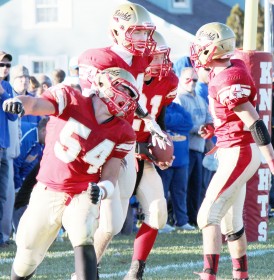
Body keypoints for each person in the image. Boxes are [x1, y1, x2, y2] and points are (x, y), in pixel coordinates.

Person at [2, 66, 139, 280]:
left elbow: (110, 175)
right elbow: (36, 104)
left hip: (83, 192)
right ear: (102, 84)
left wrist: (101, 191)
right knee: (27, 254)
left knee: (84, 234)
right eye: (125, 90)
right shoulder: (70, 98)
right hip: (49, 188)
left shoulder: (124, 132)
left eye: (132, 95)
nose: (127, 99)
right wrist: (20, 103)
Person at [189, 22, 274, 280]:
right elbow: (235, 118)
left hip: (239, 152)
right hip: (235, 149)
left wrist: (273, 166)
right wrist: (214, 128)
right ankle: (241, 275)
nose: (196, 53)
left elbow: (255, 122)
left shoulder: (227, 79)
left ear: (211, 50)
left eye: (201, 48)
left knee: (206, 215)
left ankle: (209, 275)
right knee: (231, 223)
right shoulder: (226, 72)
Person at [74, 4, 170, 279]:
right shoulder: (98, 59)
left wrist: (148, 121)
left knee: (115, 222)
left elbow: (131, 98)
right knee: (88, 215)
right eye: (137, 32)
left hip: (124, 145)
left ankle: (103, 269)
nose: (144, 40)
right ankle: (82, 270)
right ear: (116, 30)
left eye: (146, 33)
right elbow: (95, 106)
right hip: (101, 144)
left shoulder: (141, 60)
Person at [123, 30, 178, 279]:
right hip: (117, 157)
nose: (161, 63)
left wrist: (161, 145)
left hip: (143, 159)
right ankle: (87, 270)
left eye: (161, 57)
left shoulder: (167, 82)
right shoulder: (124, 79)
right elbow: (109, 128)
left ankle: (136, 271)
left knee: (158, 214)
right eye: (155, 57)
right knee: (108, 224)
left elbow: (158, 119)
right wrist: (140, 148)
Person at [174, 66, 214, 226]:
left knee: (197, 187)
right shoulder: (179, 98)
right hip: (184, 148)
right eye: (188, 79)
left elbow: (208, 116)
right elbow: (181, 124)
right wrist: (199, 128)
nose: (191, 82)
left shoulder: (199, 98)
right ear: (181, 80)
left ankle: (194, 218)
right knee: (182, 187)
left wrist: (208, 127)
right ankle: (180, 219)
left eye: (194, 80)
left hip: (199, 148)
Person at [156, 101, 194, 230]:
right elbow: (161, 123)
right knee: (162, 192)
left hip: (182, 160)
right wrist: (177, 122)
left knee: (180, 192)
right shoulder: (159, 107)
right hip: (164, 159)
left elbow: (189, 123)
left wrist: (170, 125)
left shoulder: (177, 107)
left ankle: (182, 221)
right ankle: (162, 222)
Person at [0, 51, 18, 248]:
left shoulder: (7, 87)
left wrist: (3, 95)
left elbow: (14, 116)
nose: (5, 68)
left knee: (3, 195)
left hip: (4, 147)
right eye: (1, 64)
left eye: (7, 65)